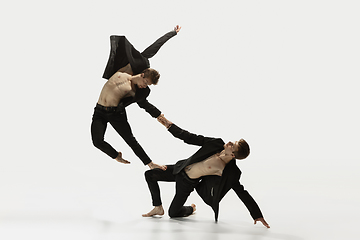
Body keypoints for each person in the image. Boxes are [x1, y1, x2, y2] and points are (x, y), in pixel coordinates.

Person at [142, 115, 270, 228]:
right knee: (150, 174)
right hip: (179, 169)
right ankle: (158, 207)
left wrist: (256, 214)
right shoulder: (217, 143)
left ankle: (191, 208)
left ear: (233, 155)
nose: (230, 142)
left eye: (233, 145)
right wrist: (168, 125)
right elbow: (190, 137)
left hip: (187, 184)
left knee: (173, 213)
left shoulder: (230, 172)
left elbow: (242, 193)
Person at [91, 26, 181, 169]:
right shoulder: (126, 68)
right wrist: (172, 33)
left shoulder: (136, 91)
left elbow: (146, 105)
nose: (145, 86)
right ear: (142, 74)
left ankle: (150, 164)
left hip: (115, 113)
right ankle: (116, 155)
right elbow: (152, 49)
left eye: (148, 85)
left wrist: (160, 117)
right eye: (146, 82)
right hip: (99, 110)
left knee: (130, 140)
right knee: (97, 141)